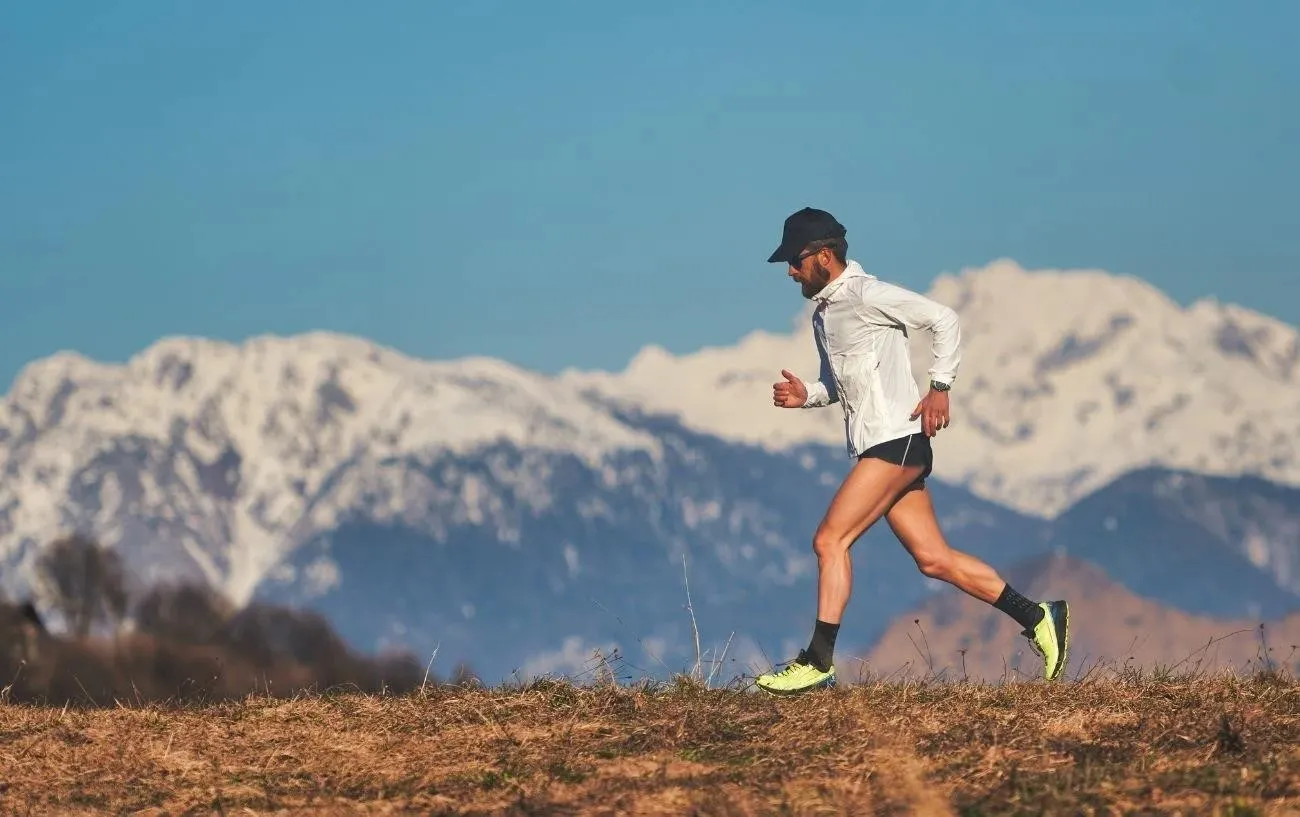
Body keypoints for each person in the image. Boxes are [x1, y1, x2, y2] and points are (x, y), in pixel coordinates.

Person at [754, 207, 1069, 695]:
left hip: (896, 442)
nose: (790, 272)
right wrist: (808, 396)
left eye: (795, 261)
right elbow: (840, 383)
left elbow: (943, 318)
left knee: (829, 541)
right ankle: (1038, 615)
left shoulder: (865, 295)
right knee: (934, 560)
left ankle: (817, 662)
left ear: (824, 255)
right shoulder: (825, 314)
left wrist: (940, 386)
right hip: (888, 447)